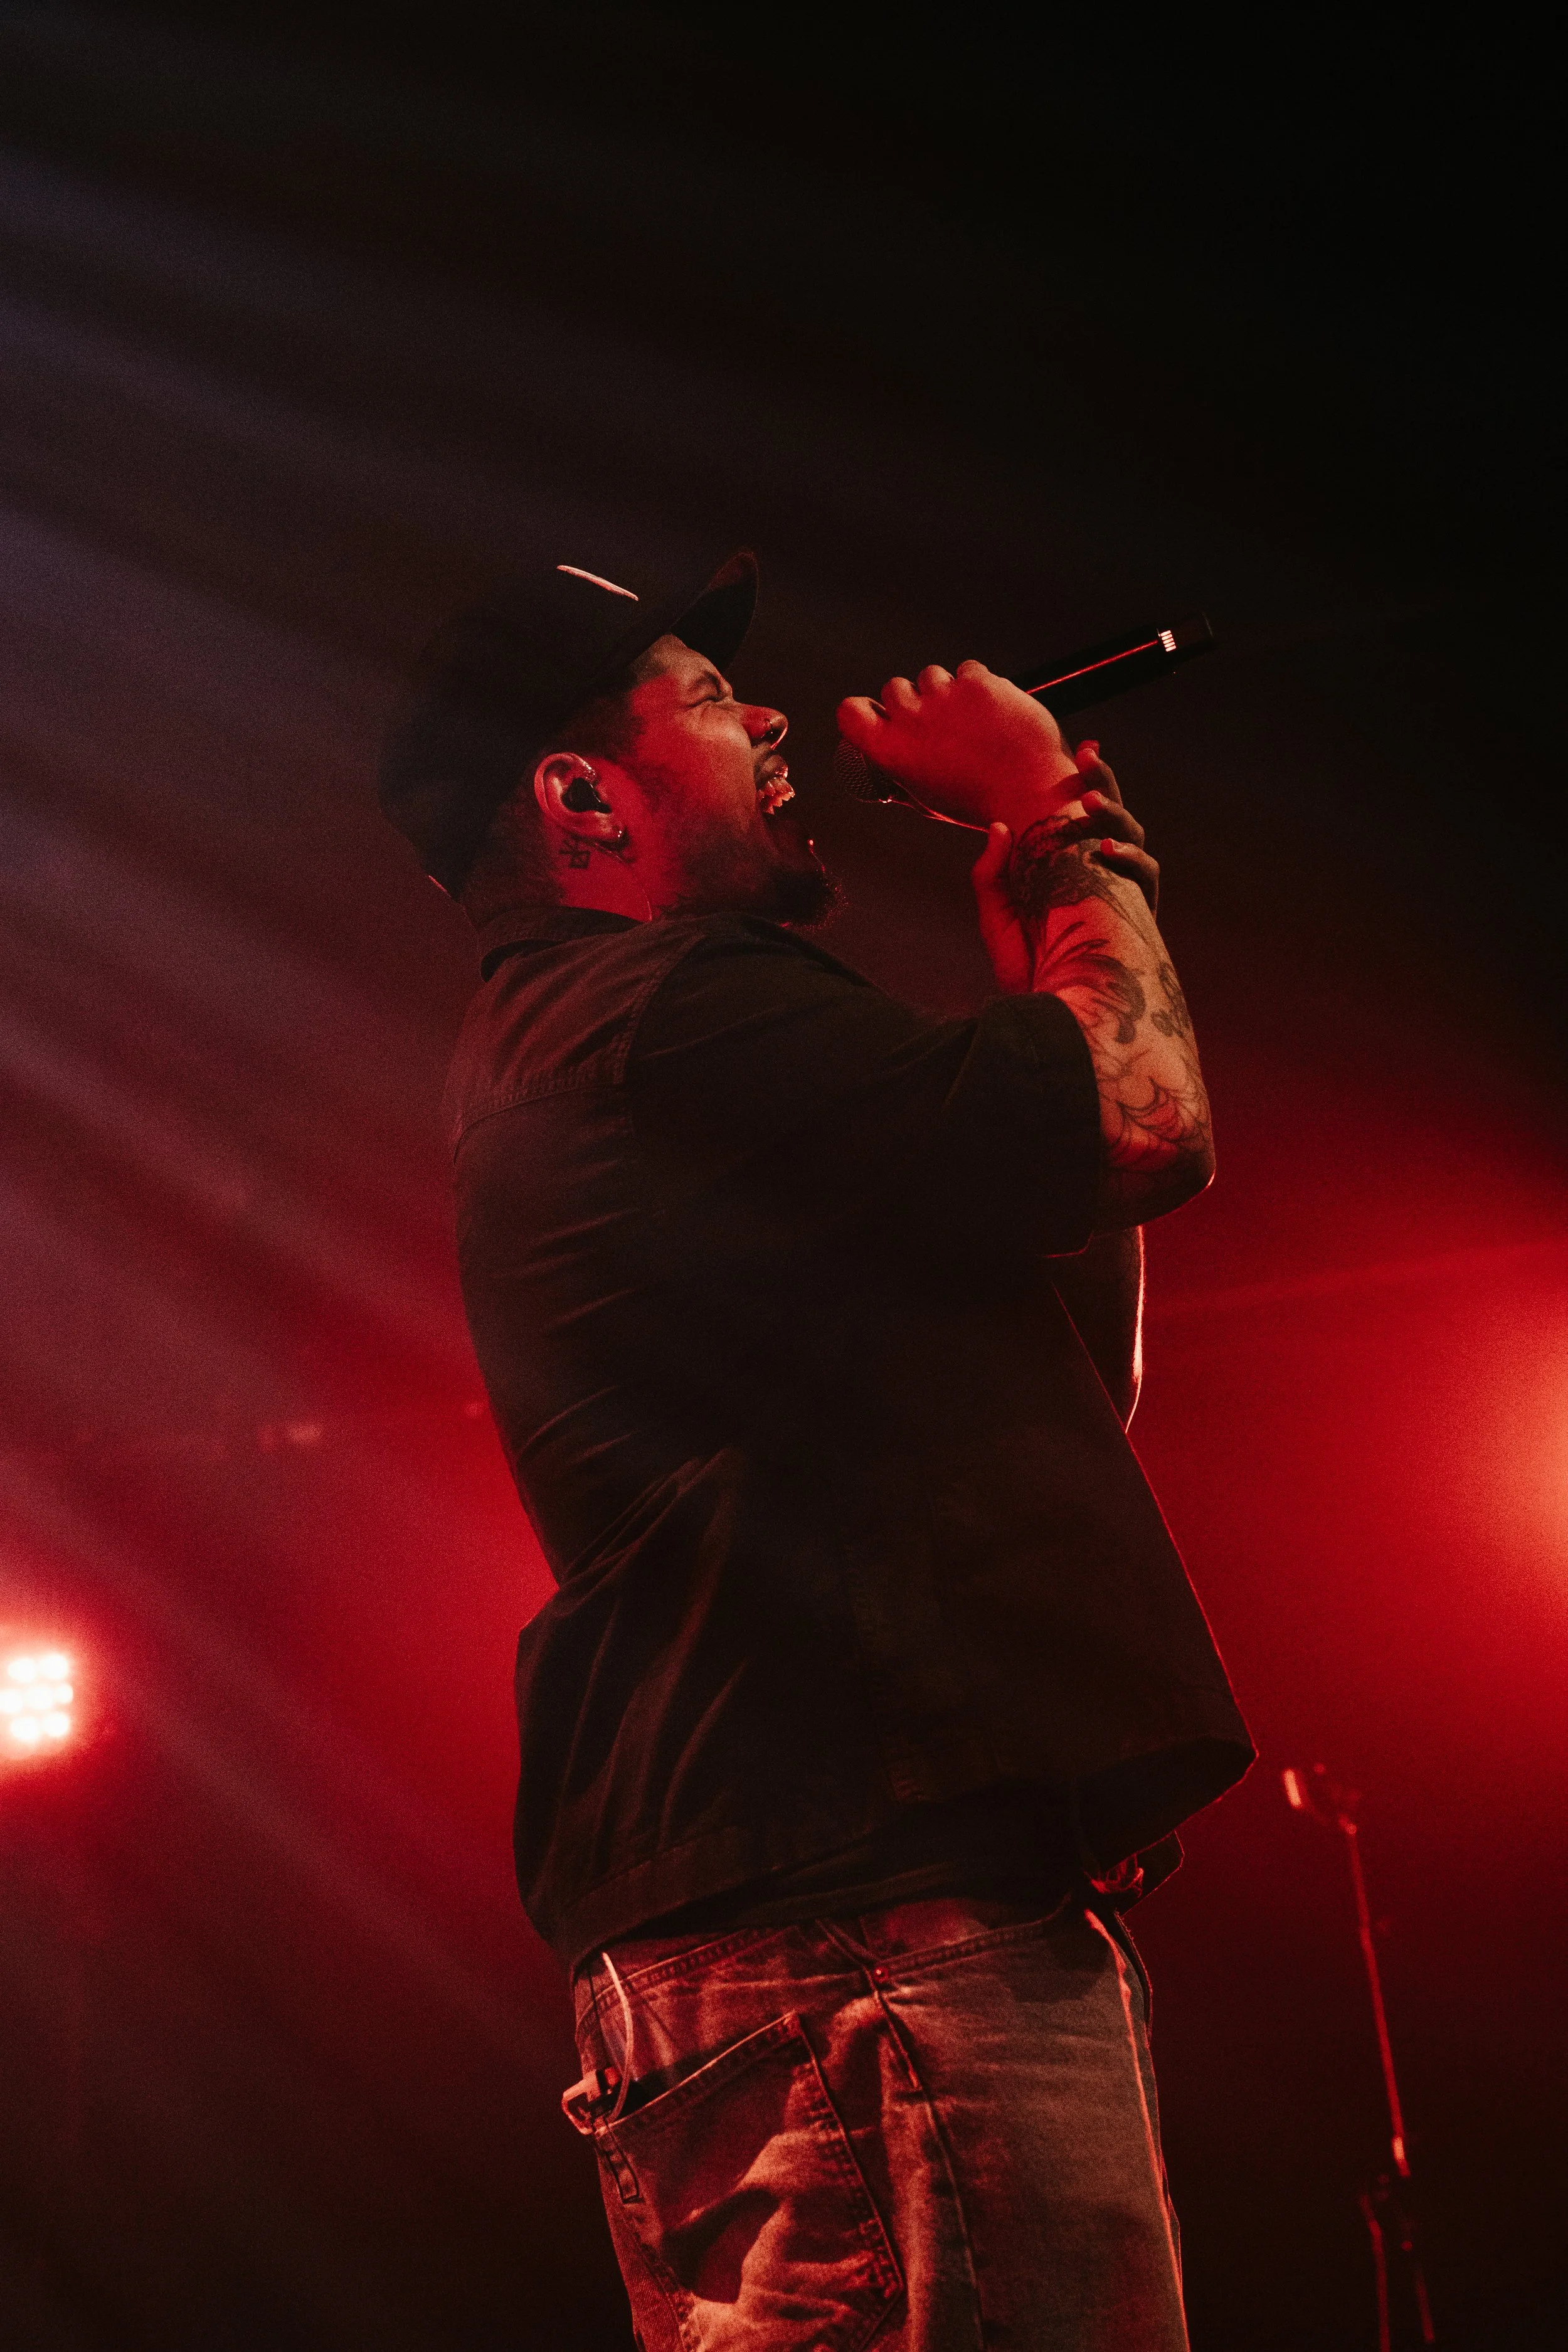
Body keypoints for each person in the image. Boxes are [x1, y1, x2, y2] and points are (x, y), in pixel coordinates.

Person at [378, 548, 1253, 2350]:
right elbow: (1146, 1116)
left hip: (843, 1936)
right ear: (578, 794)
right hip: (867, 1940)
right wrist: (1059, 806)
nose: (770, 717)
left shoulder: (634, 1048)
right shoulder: (664, 1016)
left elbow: (1086, 1338)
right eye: (707, 696)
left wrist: (1033, 952)